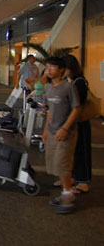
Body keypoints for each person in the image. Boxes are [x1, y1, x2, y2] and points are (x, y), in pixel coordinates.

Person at [42, 57, 81, 213]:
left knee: (63, 164)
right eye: (46, 67)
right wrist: (45, 131)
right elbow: (49, 111)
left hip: (66, 132)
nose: (48, 70)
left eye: (52, 67)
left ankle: (68, 194)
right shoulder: (49, 88)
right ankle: (67, 192)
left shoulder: (68, 87)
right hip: (52, 131)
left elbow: (76, 109)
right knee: (55, 164)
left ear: (61, 69)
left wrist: (65, 129)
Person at [63, 54, 92, 194]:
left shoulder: (79, 82)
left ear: (71, 68)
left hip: (81, 122)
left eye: (65, 68)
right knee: (73, 151)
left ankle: (84, 181)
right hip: (73, 122)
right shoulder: (73, 80)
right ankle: (74, 177)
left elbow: (77, 103)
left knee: (82, 151)